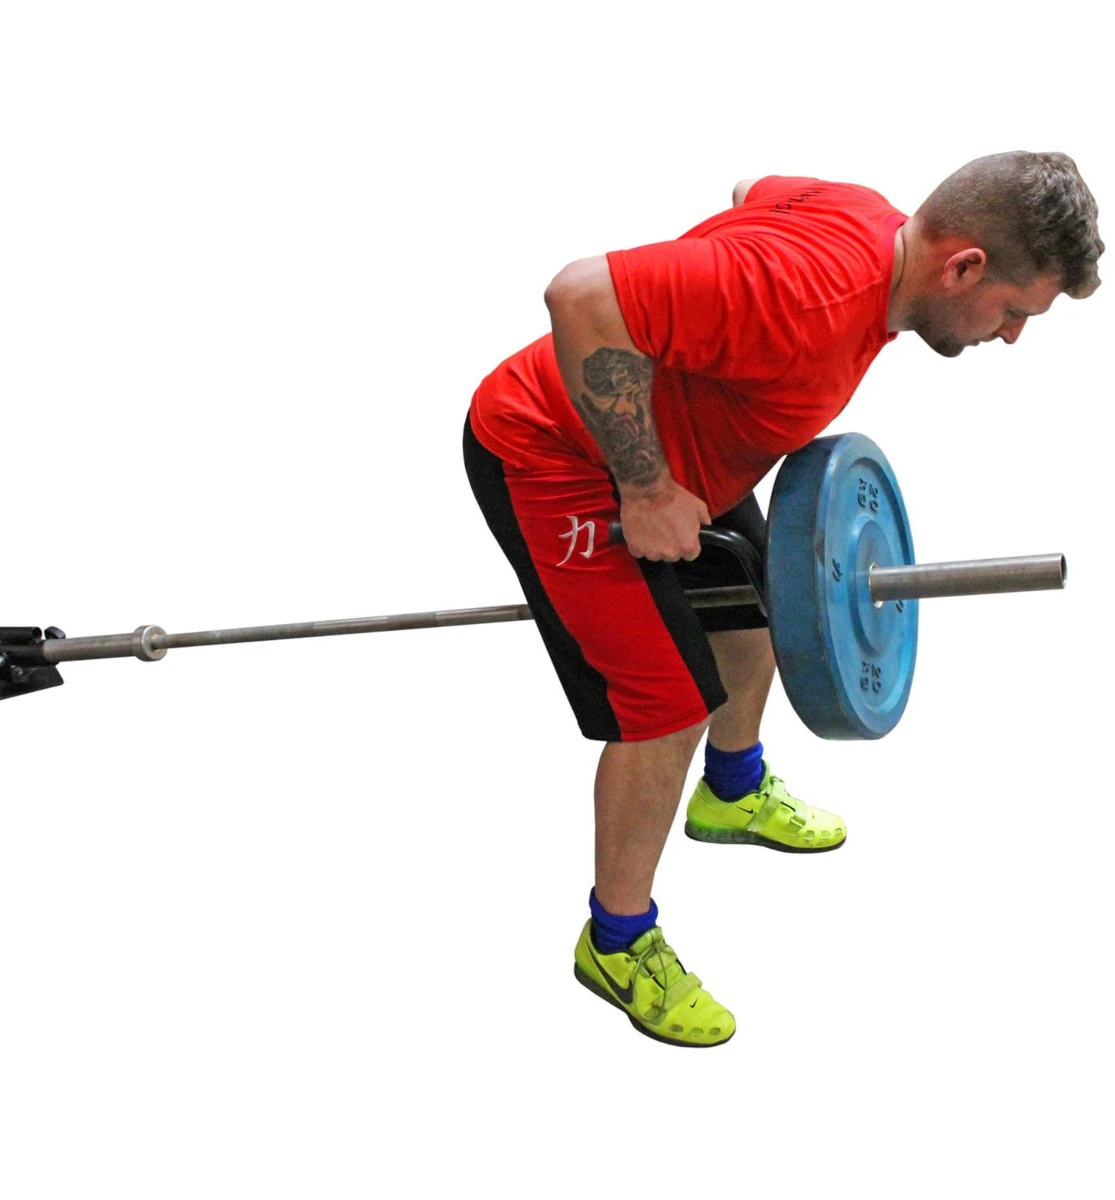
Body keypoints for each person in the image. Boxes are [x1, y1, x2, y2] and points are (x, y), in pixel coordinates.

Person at [463, 152, 1102, 1048]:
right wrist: (645, 488)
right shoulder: (801, 296)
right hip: (554, 452)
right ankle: (617, 941)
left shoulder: (867, 223)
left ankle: (731, 790)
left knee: (765, 604)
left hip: (690, 448)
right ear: (963, 266)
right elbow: (581, 295)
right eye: (1014, 311)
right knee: (664, 704)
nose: (1012, 336)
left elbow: (751, 195)